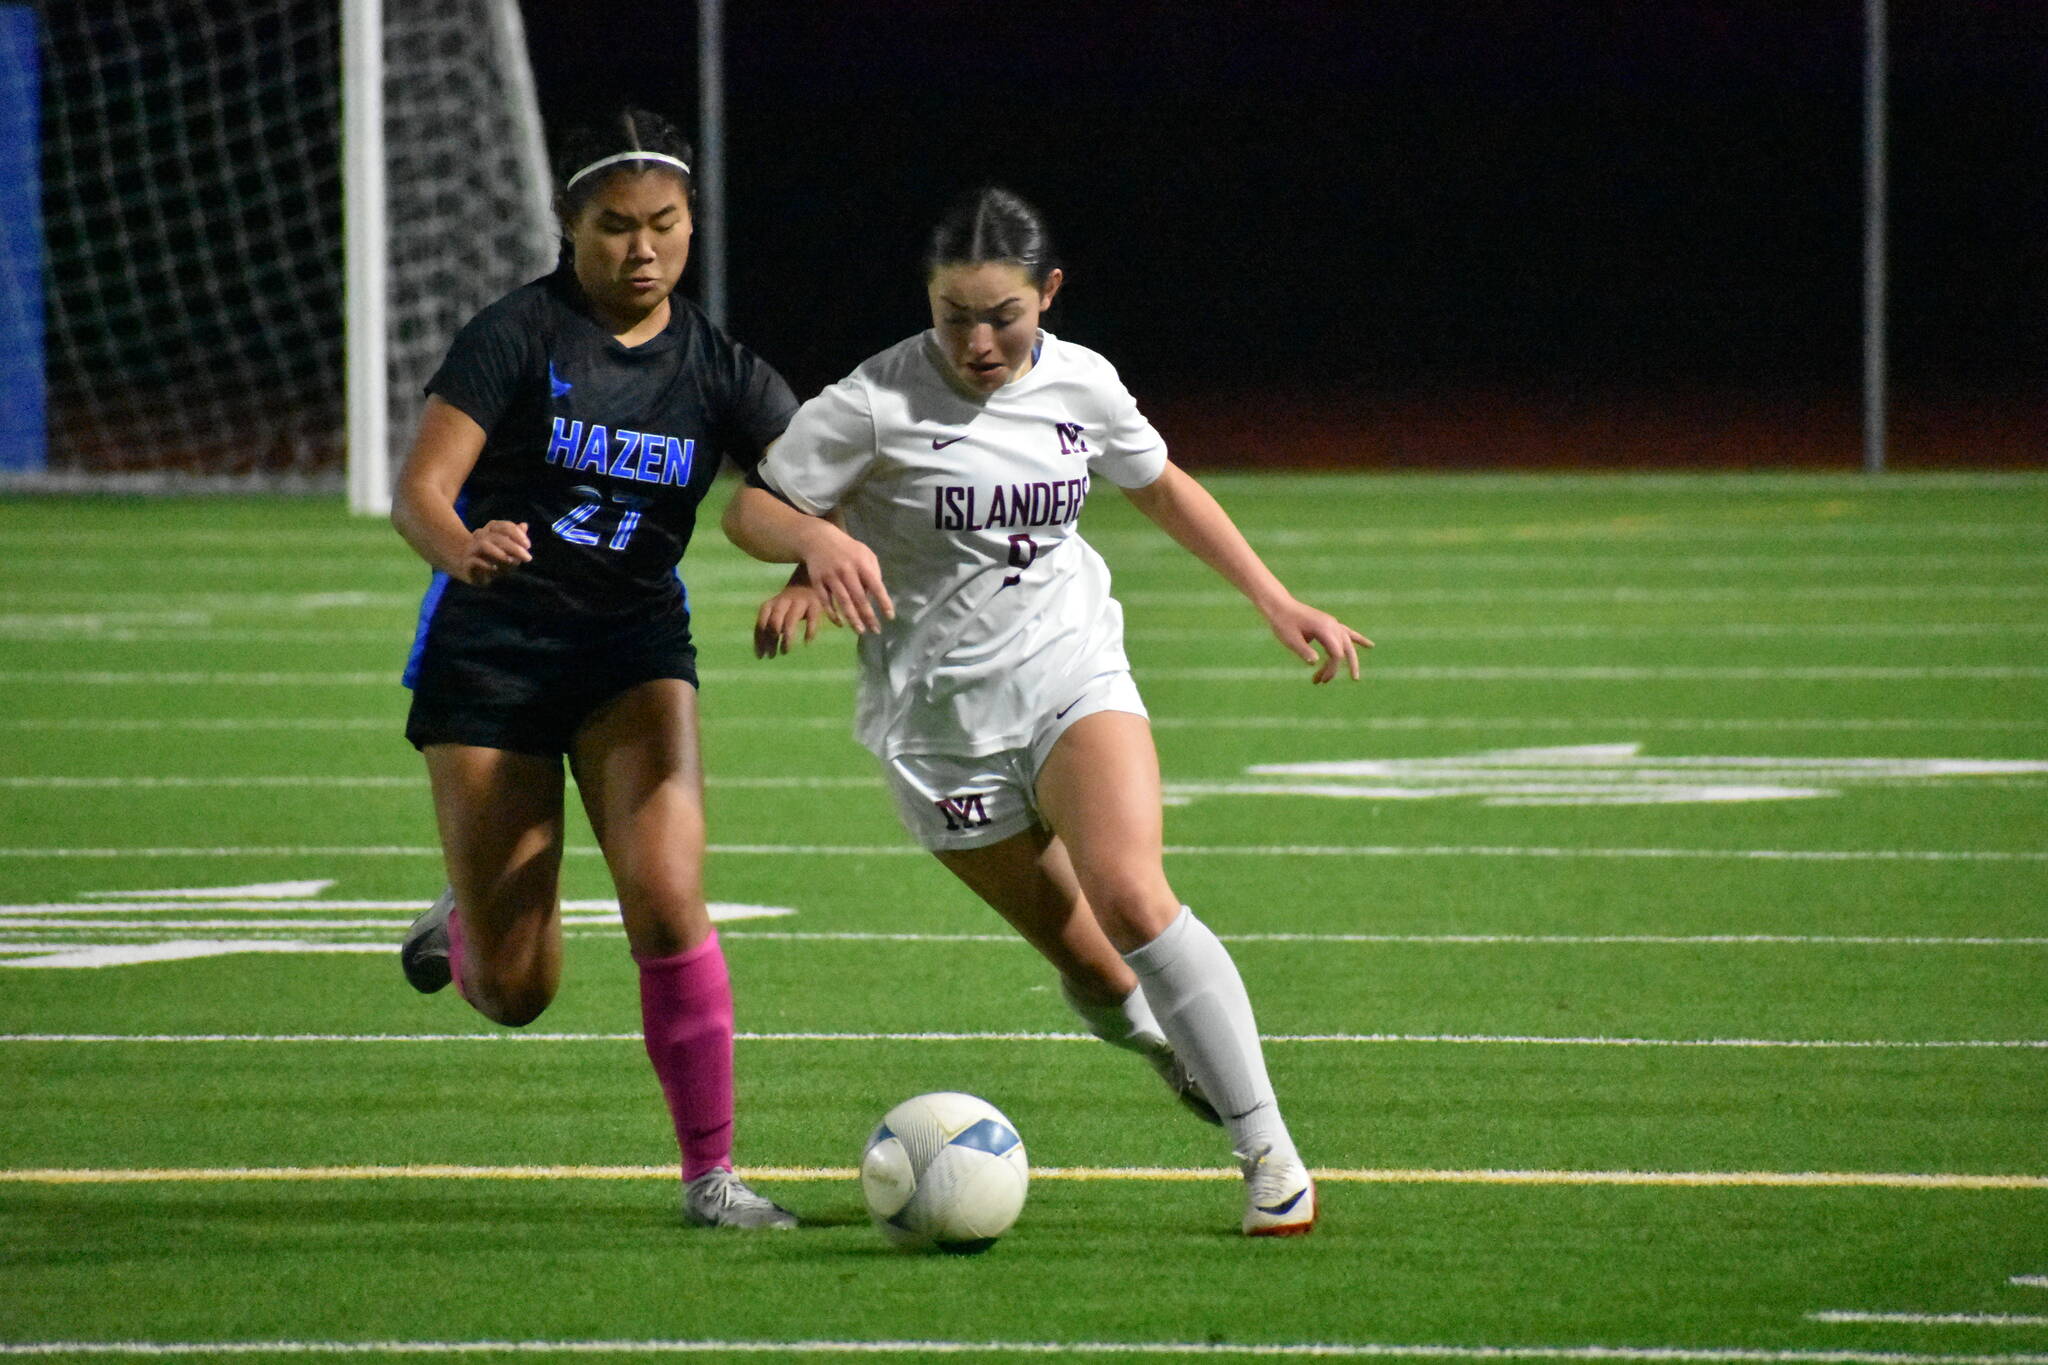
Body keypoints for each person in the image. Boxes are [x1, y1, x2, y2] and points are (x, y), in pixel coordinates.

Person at [722, 186, 1370, 1236]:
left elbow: (1161, 486)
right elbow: (753, 504)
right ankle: (1167, 1047)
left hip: (1070, 671)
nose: (978, 341)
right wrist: (813, 547)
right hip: (934, 728)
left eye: (1003, 315)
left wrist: (1273, 596)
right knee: (1091, 964)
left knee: (1131, 894)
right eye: (953, 317)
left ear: (1048, 295)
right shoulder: (875, 399)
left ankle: (1270, 1156)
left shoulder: (1082, 382)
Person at [390, 108, 798, 1229]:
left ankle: (710, 1179)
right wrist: (461, 546)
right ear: (568, 227)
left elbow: (815, 476)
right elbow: (420, 491)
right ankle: (472, 924)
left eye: (663, 224)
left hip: (631, 648)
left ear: (690, 224)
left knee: (667, 897)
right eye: (613, 227)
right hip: (498, 649)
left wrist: (814, 559)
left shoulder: (714, 365)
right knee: (519, 995)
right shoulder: (514, 334)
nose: (641, 249)